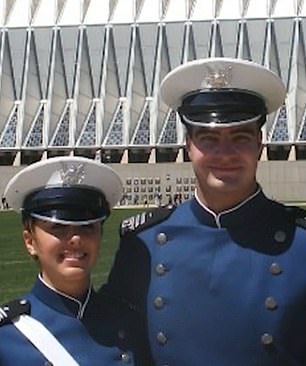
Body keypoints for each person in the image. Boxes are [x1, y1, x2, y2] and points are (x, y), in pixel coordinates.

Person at [100, 58, 306, 366]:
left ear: (260, 144)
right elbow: (112, 343)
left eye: (241, 138)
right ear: (188, 146)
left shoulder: (299, 241)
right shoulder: (144, 243)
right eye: (208, 139)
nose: (225, 154)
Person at [0, 156, 152, 365]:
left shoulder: (132, 325)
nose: (76, 239)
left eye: (87, 226)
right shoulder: (7, 337)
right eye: (58, 227)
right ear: (30, 241)